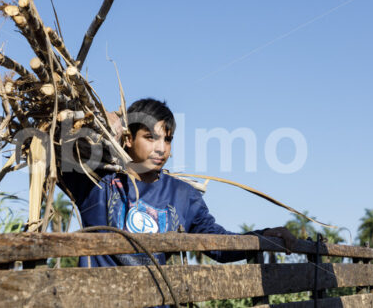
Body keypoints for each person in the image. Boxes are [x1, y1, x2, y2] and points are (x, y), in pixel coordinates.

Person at [57, 98, 296, 267]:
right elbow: (50, 147)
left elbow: (219, 245)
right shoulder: (97, 182)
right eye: (150, 138)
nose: (161, 148)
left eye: (167, 140)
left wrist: (264, 235)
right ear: (127, 139)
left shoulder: (183, 196)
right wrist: (100, 121)